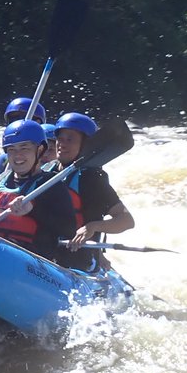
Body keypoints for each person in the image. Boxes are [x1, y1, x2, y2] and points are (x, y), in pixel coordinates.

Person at [0, 119, 81, 266]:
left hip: (31, 263)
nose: (17, 155)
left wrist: (33, 210)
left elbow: (69, 229)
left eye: (24, 148)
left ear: (39, 150)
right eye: (12, 149)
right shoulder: (0, 181)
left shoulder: (51, 185)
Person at [49, 112, 136, 268]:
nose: (62, 144)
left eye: (70, 139)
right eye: (60, 139)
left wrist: (92, 227)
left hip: (77, 261)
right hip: (46, 251)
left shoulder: (92, 180)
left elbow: (126, 220)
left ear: (85, 145)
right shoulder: (47, 170)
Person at [0, 97, 49, 177]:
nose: (17, 122)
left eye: (22, 117)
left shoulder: (51, 152)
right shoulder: (5, 159)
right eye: (13, 119)